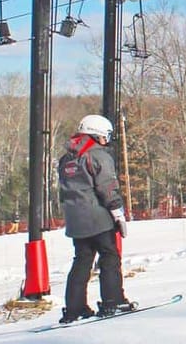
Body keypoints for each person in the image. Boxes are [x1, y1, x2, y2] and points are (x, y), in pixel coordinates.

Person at [57, 114, 133, 323]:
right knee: (109, 256)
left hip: (75, 219)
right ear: (96, 134)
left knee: (82, 260)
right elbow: (107, 186)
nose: (106, 141)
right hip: (97, 216)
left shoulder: (66, 159)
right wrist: (117, 211)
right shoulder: (97, 155)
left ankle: (74, 308)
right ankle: (113, 300)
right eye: (105, 136)